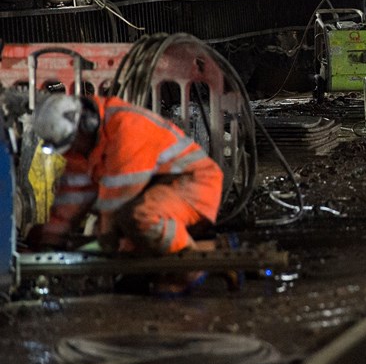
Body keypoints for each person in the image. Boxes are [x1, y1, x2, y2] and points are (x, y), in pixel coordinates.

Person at [26, 93, 223, 256]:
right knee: (125, 229)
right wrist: (49, 242)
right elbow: (71, 201)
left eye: (75, 142)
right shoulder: (81, 150)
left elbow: (117, 200)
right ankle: (192, 257)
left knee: (141, 216)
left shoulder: (126, 127)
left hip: (194, 183)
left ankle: (192, 265)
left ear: (88, 123)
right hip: (159, 188)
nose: (74, 149)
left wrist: (107, 244)